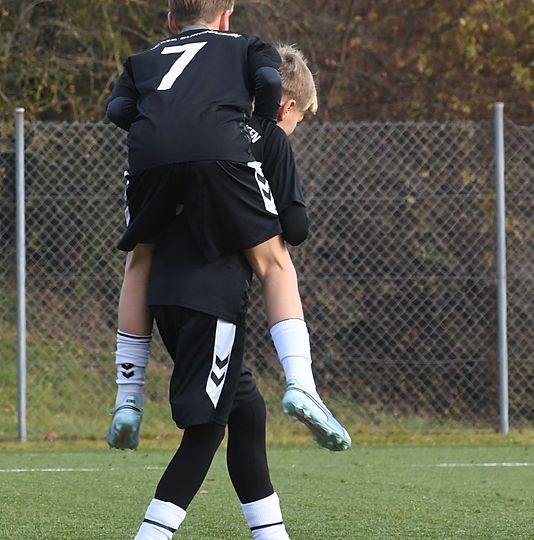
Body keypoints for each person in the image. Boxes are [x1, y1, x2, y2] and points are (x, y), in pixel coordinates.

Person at [104, 0, 347, 452]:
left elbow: (117, 110)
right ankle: (301, 384)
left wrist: (160, 123)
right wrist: (260, 127)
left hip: (150, 156)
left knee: (139, 261)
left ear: (171, 20)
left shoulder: (142, 60)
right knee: (275, 263)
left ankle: (127, 400)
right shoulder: (245, 46)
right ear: (225, 16)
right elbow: (268, 82)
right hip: (221, 149)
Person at [131, 44, 341, 540]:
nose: (293, 128)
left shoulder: (194, 132)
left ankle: (271, 533)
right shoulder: (261, 138)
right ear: (286, 106)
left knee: (247, 411)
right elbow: (295, 228)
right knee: (206, 429)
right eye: (299, 119)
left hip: (166, 292)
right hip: (212, 298)